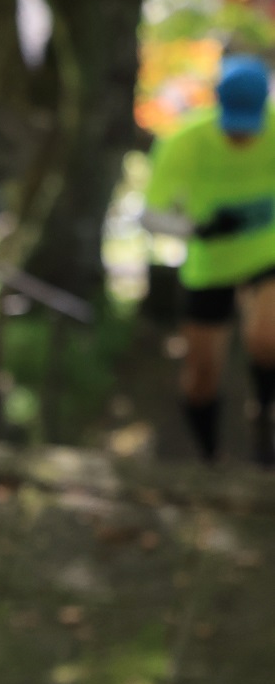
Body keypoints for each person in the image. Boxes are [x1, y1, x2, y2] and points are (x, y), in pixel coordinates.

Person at [142, 52, 275, 466]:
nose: (241, 136)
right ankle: (209, 458)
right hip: (209, 264)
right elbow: (151, 214)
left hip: (267, 254)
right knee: (201, 375)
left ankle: (264, 418)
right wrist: (198, 229)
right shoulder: (185, 140)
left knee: (267, 339)